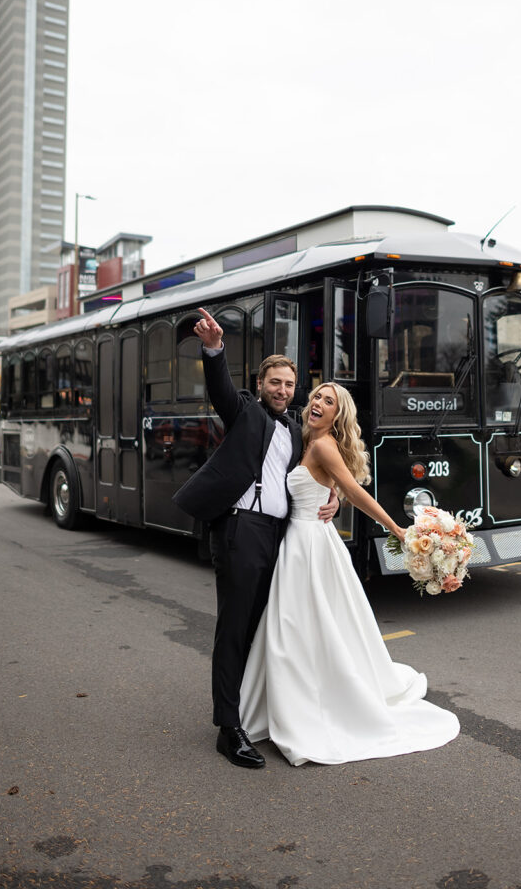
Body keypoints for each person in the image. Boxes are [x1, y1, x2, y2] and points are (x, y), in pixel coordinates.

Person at [239, 381, 460, 766]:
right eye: (317, 398)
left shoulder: (323, 445)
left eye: (329, 401)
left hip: (309, 545)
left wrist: (396, 528)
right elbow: (328, 483)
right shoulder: (306, 438)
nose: (319, 404)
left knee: (298, 627)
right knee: (304, 626)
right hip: (302, 541)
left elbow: (356, 491)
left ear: (338, 414)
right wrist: (333, 495)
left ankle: (305, 704)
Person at [172, 308, 338, 769]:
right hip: (241, 530)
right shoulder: (244, 410)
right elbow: (220, 388)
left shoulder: (294, 428)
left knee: (264, 630)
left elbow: (315, 473)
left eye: (289, 385)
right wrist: (213, 349)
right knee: (235, 628)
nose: (283, 391)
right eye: (275, 383)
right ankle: (229, 729)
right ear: (261, 383)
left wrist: (336, 498)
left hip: (278, 537)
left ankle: (254, 713)